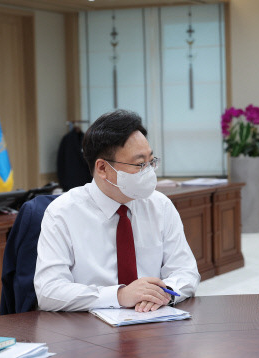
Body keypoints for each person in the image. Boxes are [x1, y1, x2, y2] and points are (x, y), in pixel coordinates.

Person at [34, 109, 200, 312]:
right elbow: (49, 291)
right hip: (88, 329)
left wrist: (163, 293)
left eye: (151, 161)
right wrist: (119, 295)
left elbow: (187, 271)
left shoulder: (160, 206)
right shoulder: (62, 213)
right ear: (103, 168)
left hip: (152, 321)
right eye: (140, 164)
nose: (148, 171)